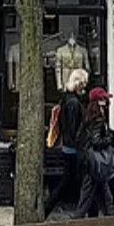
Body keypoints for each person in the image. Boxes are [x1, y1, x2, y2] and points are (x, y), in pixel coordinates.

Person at [44, 68, 88, 217]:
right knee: (71, 181)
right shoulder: (74, 103)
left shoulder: (66, 99)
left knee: (71, 180)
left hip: (68, 146)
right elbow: (73, 127)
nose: (84, 88)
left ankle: (49, 207)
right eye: (83, 84)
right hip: (73, 148)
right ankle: (49, 207)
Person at [75, 87, 114, 218]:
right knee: (90, 200)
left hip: (90, 163)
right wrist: (110, 139)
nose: (106, 102)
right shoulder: (98, 119)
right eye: (103, 99)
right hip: (95, 164)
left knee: (101, 198)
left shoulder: (89, 117)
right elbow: (96, 141)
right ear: (97, 102)